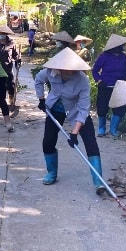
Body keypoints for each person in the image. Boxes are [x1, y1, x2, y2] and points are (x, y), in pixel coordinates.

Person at [35, 48, 106, 195]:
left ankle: (98, 181)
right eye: (67, 70)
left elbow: (84, 108)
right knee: (48, 141)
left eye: (74, 69)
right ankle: (52, 173)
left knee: (90, 142)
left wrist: (74, 133)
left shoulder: (82, 80)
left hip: (76, 109)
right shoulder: (50, 72)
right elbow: (38, 80)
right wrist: (41, 99)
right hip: (54, 108)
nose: (71, 72)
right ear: (60, 68)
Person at [91, 33, 126, 137]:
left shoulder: (123, 57)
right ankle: (101, 129)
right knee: (102, 108)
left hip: (120, 87)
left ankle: (113, 129)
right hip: (105, 87)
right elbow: (95, 71)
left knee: (120, 109)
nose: (123, 47)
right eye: (122, 45)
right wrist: (99, 80)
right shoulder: (104, 57)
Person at [0, 24, 22, 117]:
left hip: (7, 70)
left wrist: (18, 60)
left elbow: (15, 55)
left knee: (11, 87)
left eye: (3, 33)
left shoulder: (11, 43)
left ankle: (11, 105)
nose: (1, 34)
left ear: (6, 34)